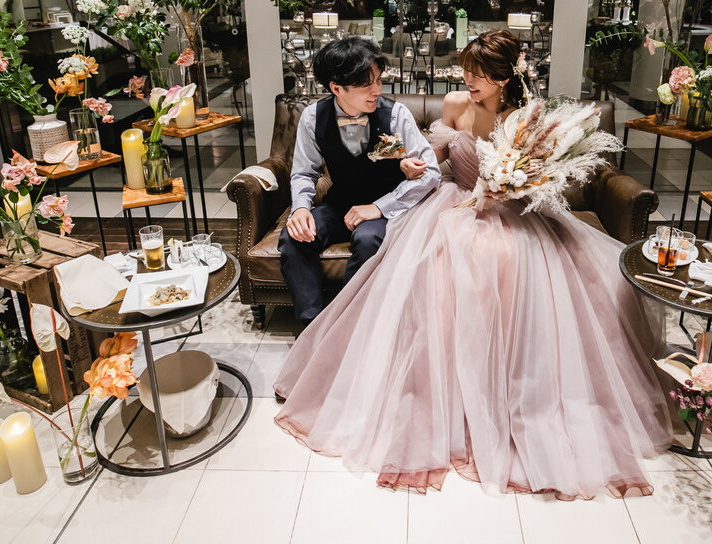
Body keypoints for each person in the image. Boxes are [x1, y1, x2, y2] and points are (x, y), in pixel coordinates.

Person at [274, 30, 673, 500]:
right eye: (466, 70)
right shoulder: (444, 105)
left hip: (504, 210)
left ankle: (501, 385)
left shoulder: (524, 117)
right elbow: (430, 163)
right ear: (336, 87)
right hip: (451, 202)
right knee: (397, 254)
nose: (467, 79)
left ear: (504, 78)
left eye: (478, 73)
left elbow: (534, 175)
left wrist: (507, 184)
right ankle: (325, 340)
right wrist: (405, 169)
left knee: (497, 256)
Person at [279, 37, 440, 324]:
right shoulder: (312, 117)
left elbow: (431, 173)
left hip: (384, 209)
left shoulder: (395, 114)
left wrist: (378, 207)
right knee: (293, 238)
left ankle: (347, 326)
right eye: (366, 84)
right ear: (336, 88)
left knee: (368, 240)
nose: (377, 90)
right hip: (338, 204)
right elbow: (304, 172)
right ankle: (313, 325)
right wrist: (301, 208)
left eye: (378, 80)